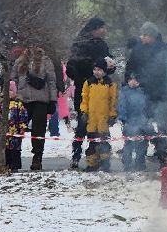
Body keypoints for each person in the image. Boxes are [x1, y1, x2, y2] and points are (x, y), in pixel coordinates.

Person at [66, 16, 113, 169]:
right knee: (83, 123)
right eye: (101, 28)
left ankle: (100, 156)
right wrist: (88, 74)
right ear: (94, 29)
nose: (104, 31)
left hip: (102, 91)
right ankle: (76, 154)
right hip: (84, 89)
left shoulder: (103, 44)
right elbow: (71, 67)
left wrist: (110, 66)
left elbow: (108, 64)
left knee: (101, 124)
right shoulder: (80, 43)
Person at [125, 23, 167, 164]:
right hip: (142, 95)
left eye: (145, 35)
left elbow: (166, 72)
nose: (141, 37)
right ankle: (143, 153)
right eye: (141, 34)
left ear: (152, 36)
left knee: (162, 126)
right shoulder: (137, 50)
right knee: (144, 125)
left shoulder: (165, 50)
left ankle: (162, 154)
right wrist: (130, 79)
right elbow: (130, 68)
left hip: (161, 93)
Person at [14, 46, 63, 171]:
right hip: (23, 99)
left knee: (38, 130)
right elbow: (13, 79)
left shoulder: (46, 61)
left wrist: (53, 100)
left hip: (41, 99)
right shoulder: (20, 60)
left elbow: (52, 82)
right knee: (16, 128)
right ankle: (13, 157)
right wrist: (15, 94)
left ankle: (37, 157)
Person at [81, 60, 118, 172]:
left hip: (104, 119)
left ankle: (105, 163)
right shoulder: (88, 83)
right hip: (92, 119)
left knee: (104, 143)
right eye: (95, 69)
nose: (96, 72)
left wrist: (113, 115)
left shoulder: (110, 84)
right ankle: (92, 164)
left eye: (99, 70)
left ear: (104, 71)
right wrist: (84, 112)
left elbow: (113, 101)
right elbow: (85, 99)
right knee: (92, 142)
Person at [118, 78, 150, 170]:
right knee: (129, 142)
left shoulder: (142, 92)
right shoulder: (124, 92)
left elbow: (147, 106)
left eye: (136, 80)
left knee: (142, 143)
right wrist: (123, 119)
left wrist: (147, 117)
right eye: (131, 80)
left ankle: (140, 162)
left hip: (142, 121)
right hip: (129, 121)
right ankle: (127, 163)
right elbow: (121, 106)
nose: (133, 82)